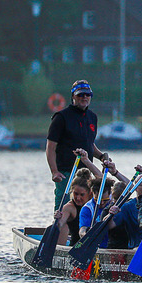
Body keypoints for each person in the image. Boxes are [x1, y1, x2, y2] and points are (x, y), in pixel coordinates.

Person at [46, 80, 105, 210]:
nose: (84, 97)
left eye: (87, 95)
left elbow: (89, 143)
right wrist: (54, 171)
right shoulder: (61, 117)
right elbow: (50, 147)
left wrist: (102, 157)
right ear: (73, 96)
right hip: (66, 172)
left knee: (87, 207)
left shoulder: (92, 117)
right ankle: (60, 222)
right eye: (80, 95)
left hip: (86, 173)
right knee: (63, 208)